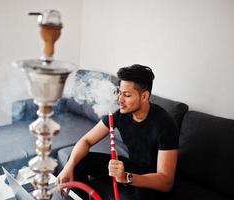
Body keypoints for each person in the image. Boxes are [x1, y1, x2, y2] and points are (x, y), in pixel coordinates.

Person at [57, 64, 179, 200]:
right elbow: (86, 141)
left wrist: (126, 177)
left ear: (144, 96)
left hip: (152, 177)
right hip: (130, 166)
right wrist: (69, 166)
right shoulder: (119, 112)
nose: (120, 99)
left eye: (126, 95)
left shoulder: (165, 124)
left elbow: (166, 182)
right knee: (76, 161)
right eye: (120, 92)